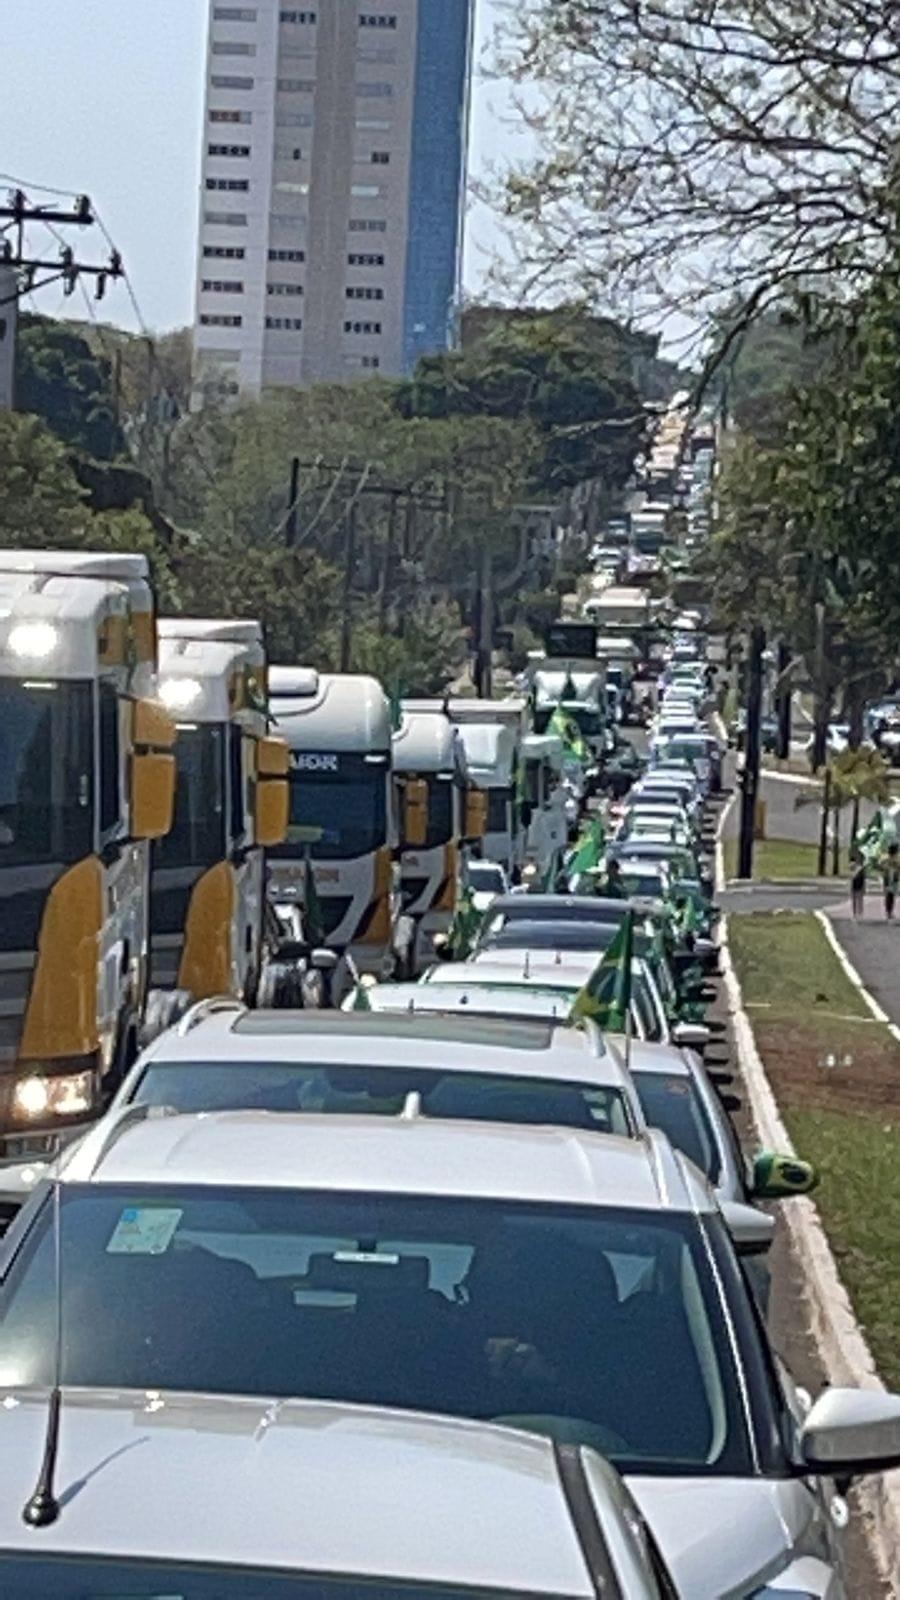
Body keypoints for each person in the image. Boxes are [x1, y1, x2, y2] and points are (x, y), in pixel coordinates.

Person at [882, 842, 900, 920]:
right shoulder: (889, 859)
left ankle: (889, 912)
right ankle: (888, 912)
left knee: (890, 896)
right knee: (890, 896)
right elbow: (884, 867)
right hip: (889, 879)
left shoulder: (891, 859)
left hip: (892, 879)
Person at [849, 849, 866, 920]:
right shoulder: (853, 865)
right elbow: (851, 870)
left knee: (860, 900)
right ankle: (854, 914)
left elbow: (864, 878)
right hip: (854, 884)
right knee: (854, 900)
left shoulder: (862, 868)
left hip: (860, 884)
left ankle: (860, 913)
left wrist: (864, 887)